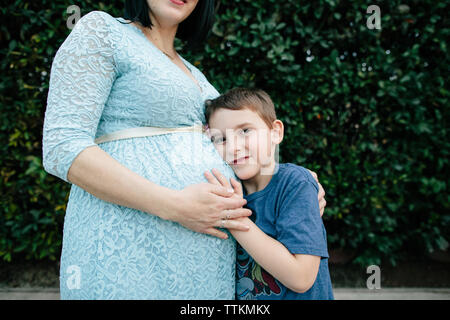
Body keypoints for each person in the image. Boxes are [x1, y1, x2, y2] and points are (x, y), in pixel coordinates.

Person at [42, 0, 326, 299]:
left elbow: (241, 146)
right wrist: (175, 206)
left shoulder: (194, 72)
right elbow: (62, 145)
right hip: (132, 254)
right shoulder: (102, 31)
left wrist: (291, 180)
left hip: (205, 274)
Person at [204, 88, 334, 300]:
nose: (234, 147)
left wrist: (233, 217)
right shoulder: (229, 188)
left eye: (245, 131)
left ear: (276, 132)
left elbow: (301, 278)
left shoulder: (294, 184)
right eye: (221, 139)